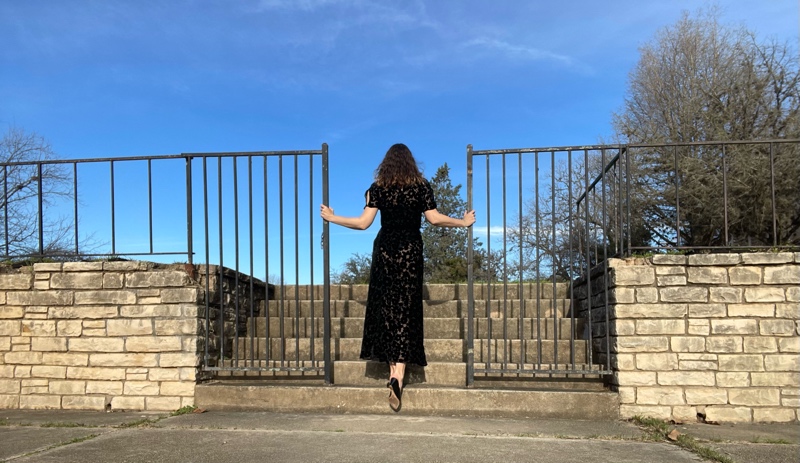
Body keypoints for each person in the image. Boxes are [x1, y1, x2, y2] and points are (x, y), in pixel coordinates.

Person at [320, 143, 476, 412]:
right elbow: (434, 219)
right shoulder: (421, 186)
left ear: (387, 163)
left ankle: (392, 369)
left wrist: (332, 218)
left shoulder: (378, 187)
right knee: (406, 309)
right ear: (411, 162)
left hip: (385, 250)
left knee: (387, 308)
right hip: (410, 251)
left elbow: (363, 223)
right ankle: (398, 374)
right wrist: (463, 222)